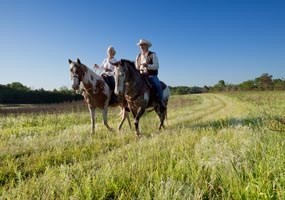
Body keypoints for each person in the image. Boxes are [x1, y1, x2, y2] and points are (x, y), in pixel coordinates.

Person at [135, 39, 166, 112]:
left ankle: (161, 103)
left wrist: (147, 65)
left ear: (147, 46)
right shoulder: (138, 56)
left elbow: (156, 66)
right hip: (141, 76)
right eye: (140, 45)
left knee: (157, 85)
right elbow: (136, 67)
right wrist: (139, 69)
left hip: (151, 75)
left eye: (143, 45)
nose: (141, 46)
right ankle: (128, 103)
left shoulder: (152, 55)